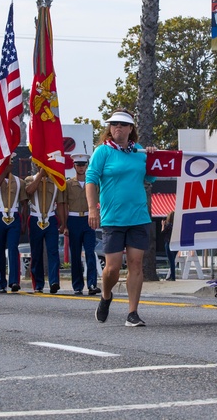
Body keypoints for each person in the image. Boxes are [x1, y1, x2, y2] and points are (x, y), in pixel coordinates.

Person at [87, 108, 156, 327]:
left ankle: (132, 312)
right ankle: (106, 295)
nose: (118, 127)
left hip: (138, 216)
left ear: (130, 128)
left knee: (136, 264)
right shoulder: (103, 152)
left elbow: (152, 176)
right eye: (114, 124)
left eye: (123, 124)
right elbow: (91, 179)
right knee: (112, 268)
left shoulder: (139, 151)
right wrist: (92, 209)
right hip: (113, 218)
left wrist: (152, 156)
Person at [61, 153, 100, 295]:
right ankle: (77, 285)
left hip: (88, 220)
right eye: (78, 165)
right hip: (74, 220)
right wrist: (65, 225)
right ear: (74, 166)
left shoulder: (93, 184)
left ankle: (91, 284)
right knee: (75, 255)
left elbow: (99, 201)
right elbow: (64, 205)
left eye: (83, 165)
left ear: (87, 166)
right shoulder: (68, 184)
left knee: (90, 253)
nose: (81, 168)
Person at [25, 166, 62, 294]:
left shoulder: (56, 181)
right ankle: (38, 283)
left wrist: (63, 223)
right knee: (36, 253)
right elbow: (29, 191)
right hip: (36, 218)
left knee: (53, 251)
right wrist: (40, 176)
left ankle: (54, 281)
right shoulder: (30, 179)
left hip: (51, 218)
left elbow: (61, 203)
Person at [0, 163, 24, 293]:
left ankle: (14, 281)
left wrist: (24, 222)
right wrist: (3, 173)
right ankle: (1, 283)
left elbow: (24, 203)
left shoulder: (19, 182)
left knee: (13, 248)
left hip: (14, 216)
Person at [161, 211, 175, 282]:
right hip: (174, 243)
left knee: (171, 260)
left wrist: (163, 225)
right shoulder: (175, 225)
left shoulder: (169, 225)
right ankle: (172, 275)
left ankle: (173, 276)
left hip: (168, 242)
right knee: (172, 260)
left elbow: (162, 232)